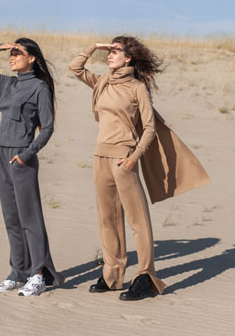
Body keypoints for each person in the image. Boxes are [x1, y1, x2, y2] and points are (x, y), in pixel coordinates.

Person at [69, 36, 167, 301]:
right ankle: (112, 275)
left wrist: (134, 157)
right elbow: (75, 68)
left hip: (124, 159)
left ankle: (146, 277)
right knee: (107, 219)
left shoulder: (137, 88)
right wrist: (94, 48)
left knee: (138, 221)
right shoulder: (102, 82)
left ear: (129, 58)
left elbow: (149, 127)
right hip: (100, 156)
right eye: (109, 51)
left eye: (115, 52)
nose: (110, 55)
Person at [0, 38, 63, 297]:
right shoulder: (7, 83)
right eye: (10, 54)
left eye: (17, 53)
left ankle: (38, 274)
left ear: (31, 58)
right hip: (0, 153)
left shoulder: (39, 89)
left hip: (21, 157)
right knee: (11, 217)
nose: (11, 58)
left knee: (29, 219)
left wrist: (27, 154)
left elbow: (48, 128)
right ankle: (17, 273)